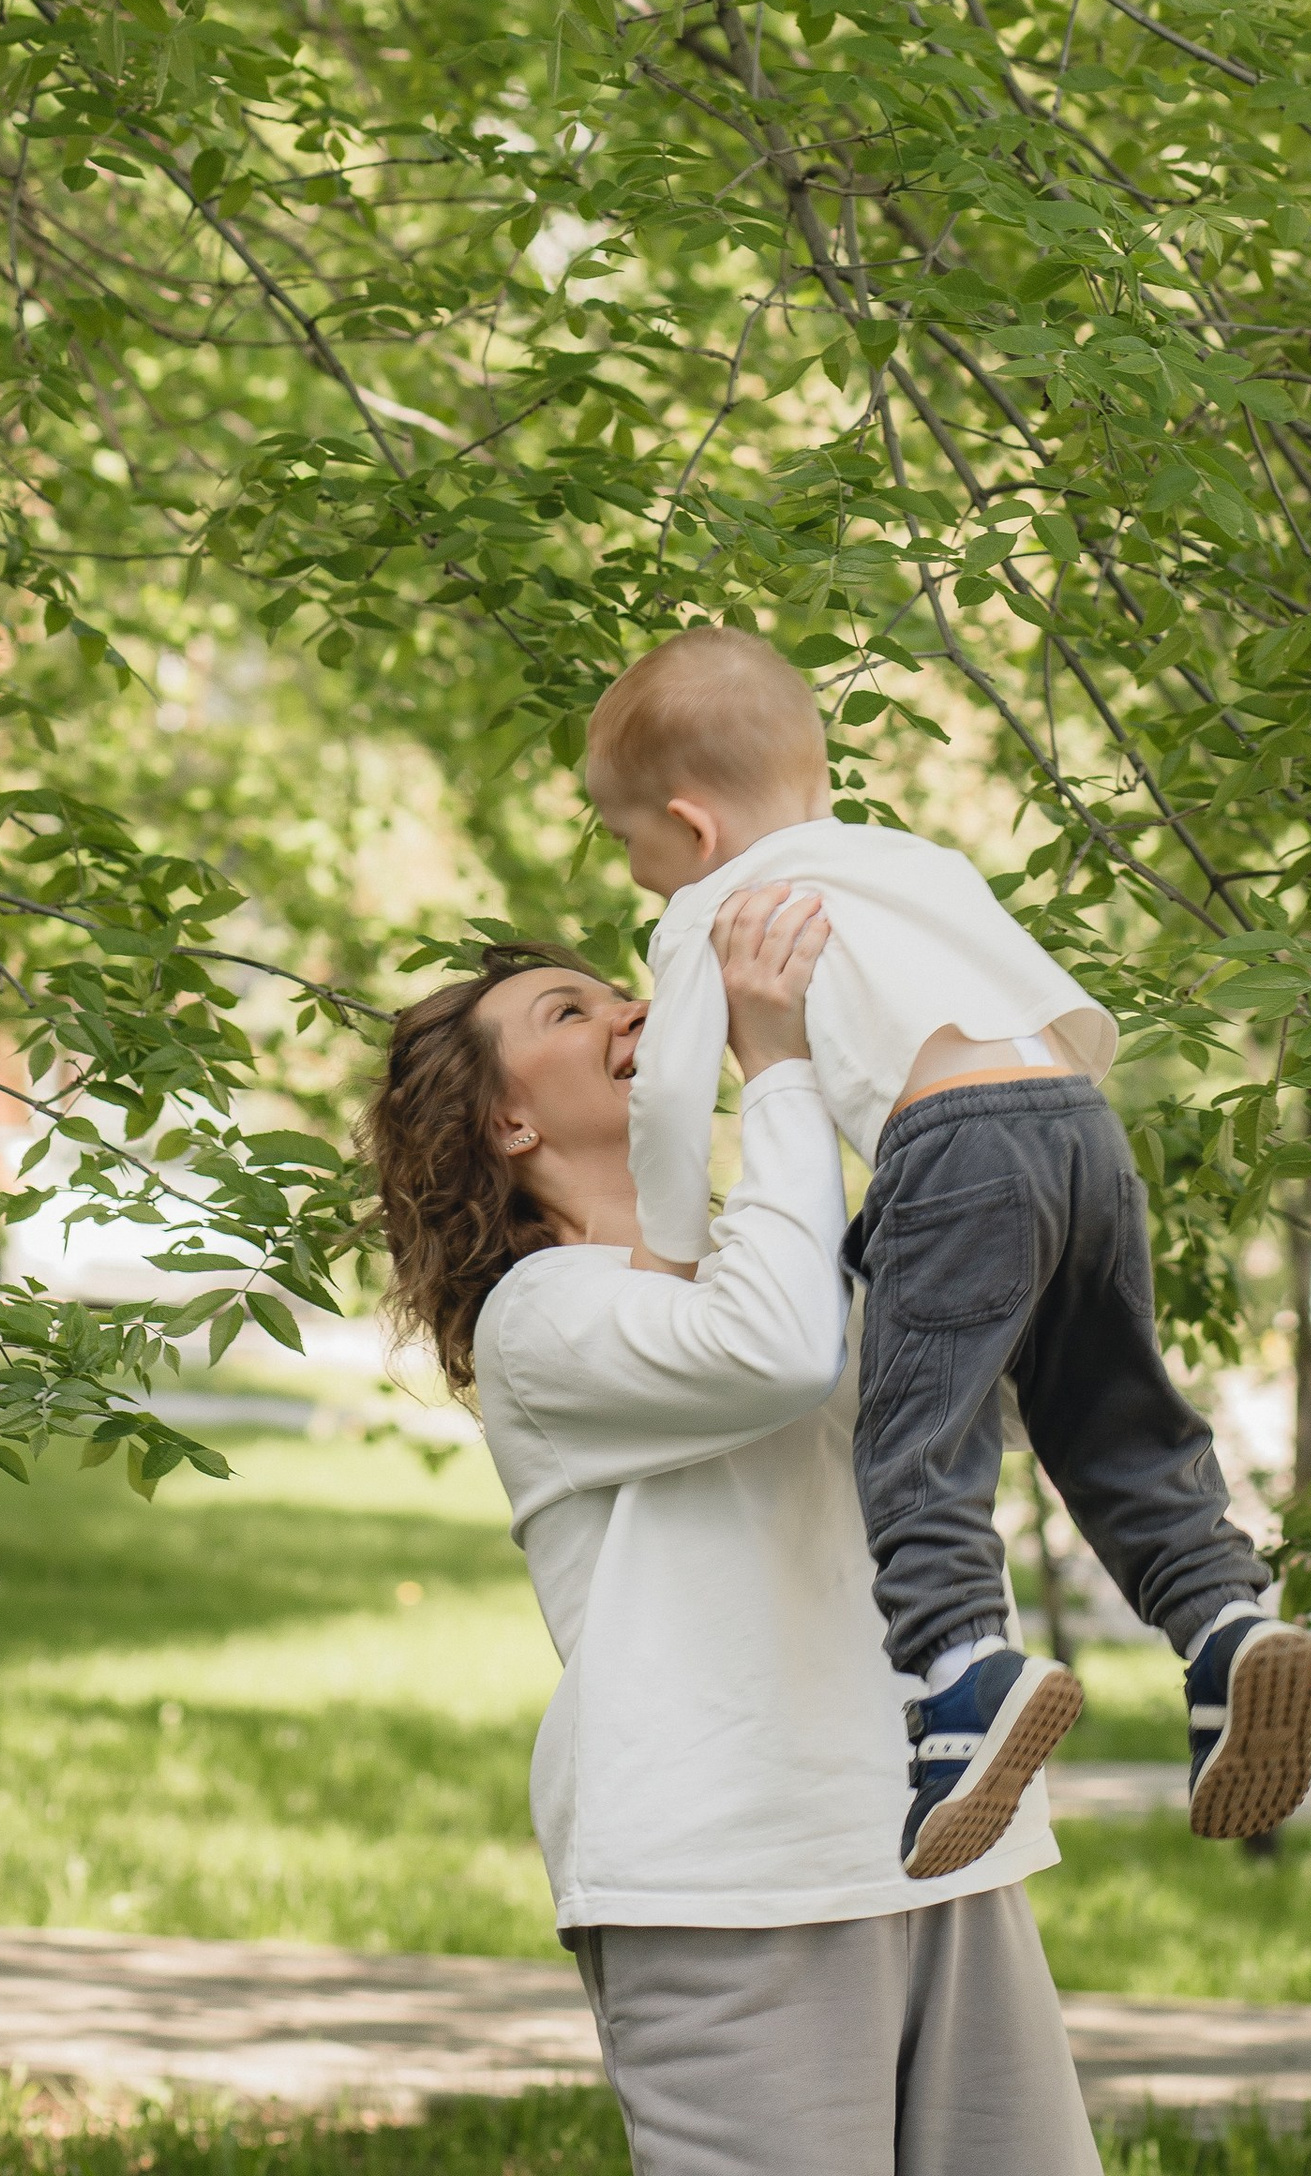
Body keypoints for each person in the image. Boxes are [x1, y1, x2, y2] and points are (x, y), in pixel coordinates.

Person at [363, 900, 1101, 2176]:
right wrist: (778, 1069)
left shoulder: (779, 1261)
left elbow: (1000, 1389)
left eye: (618, 991)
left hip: (936, 1830)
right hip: (729, 1872)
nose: (633, 1012)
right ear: (508, 1124)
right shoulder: (541, 1318)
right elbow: (771, 1356)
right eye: (570, 1011)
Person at [598, 618, 1311, 1878]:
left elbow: (667, 1095)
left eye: (624, 842)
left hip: (955, 1143)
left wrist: (670, 1248)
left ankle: (960, 1671)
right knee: (1108, 1413)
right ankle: (1222, 1620)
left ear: (689, 827)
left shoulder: (718, 908)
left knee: (917, 1437)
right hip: (1082, 1125)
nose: (636, 872)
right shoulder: (908, 859)